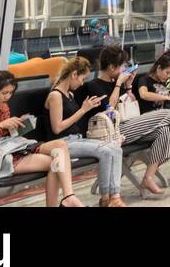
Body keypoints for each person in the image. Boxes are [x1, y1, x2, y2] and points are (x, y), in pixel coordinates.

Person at [79, 45, 170, 192]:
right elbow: (110, 110)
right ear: (113, 67)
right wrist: (119, 84)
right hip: (113, 131)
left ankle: (148, 178)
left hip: (129, 125)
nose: (124, 69)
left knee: (164, 130)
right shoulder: (95, 85)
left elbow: (131, 105)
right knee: (167, 114)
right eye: (122, 66)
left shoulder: (118, 83)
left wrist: (128, 86)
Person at [0, 68, 83, 206]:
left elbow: (6, 135)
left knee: (60, 145)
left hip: (11, 149)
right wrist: (0, 126)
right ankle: (63, 201)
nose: (7, 97)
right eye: (4, 93)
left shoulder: (3, 108)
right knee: (55, 163)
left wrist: (18, 127)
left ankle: (69, 196)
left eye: (10, 93)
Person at [43, 56, 127, 205]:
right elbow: (57, 128)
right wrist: (83, 110)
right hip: (63, 143)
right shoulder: (55, 96)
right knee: (106, 151)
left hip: (76, 139)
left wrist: (86, 108)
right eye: (83, 78)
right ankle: (108, 197)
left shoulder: (69, 95)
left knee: (115, 149)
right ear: (74, 74)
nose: (82, 83)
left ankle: (113, 196)